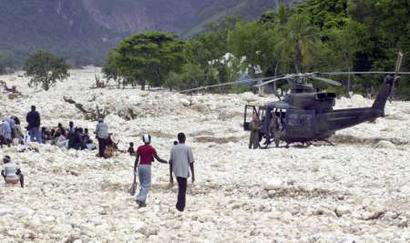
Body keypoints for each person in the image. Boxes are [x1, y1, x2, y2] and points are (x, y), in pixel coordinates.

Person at [134, 134, 167, 207]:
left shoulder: (140, 148)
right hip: (147, 166)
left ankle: (142, 202)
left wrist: (134, 168)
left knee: (142, 184)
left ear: (143, 140)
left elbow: (137, 159)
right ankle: (140, 198)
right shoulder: (151, 149)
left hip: (140, 166)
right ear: (150, 140)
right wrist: (166, 162)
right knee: (147, 185)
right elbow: (158, 159)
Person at [169, 132, 195, 212]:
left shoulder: (173, 148)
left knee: (181, 187)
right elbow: (191, 162)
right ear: (184, 138)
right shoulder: (188, 148)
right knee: (182, 188)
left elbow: (171, 162)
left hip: (176, 171)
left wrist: (170, 175)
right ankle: (180, 206)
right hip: (183, 170)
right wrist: (193, 174)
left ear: (178, 139)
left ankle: (179, 205)